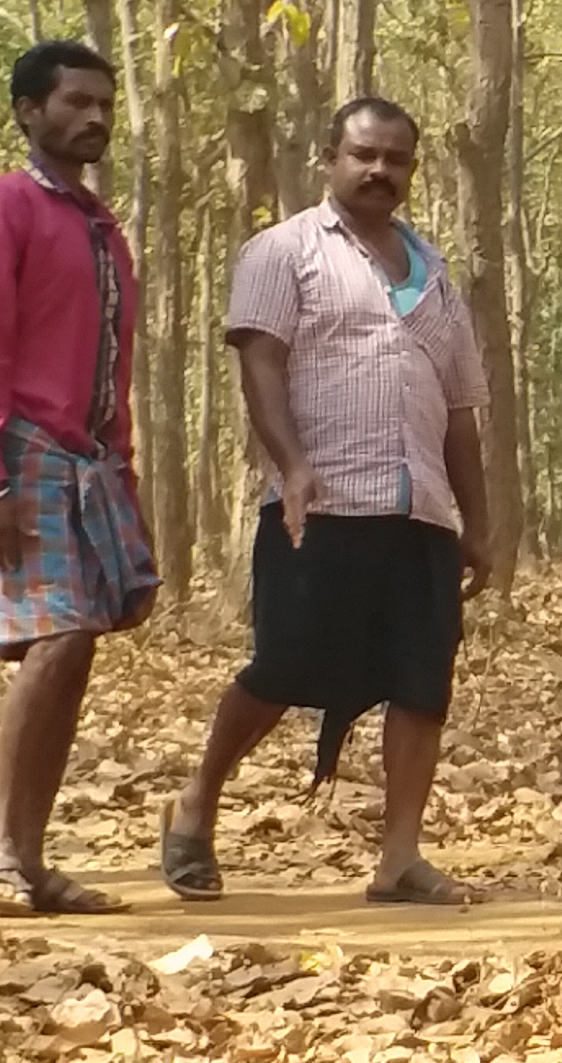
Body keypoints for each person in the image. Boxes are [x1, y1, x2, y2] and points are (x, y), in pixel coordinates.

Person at [163, 98, 497, 908]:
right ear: (330, 156)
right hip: (319, 502)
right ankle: (195, 806)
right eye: (364, 154)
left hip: (417, 512)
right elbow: (261, 362)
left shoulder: (436, 275)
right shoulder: (284, 252)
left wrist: (477, 524)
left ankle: (399, 858)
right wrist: (294, 463)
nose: (380, 171)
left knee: (423, 684)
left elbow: (458, 409)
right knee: (283, 668)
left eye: (396, 160)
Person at [0, 39, 152, 916]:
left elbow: (113, 361)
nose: (94, 117)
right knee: (55, 639)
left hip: (89, 460)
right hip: (20, 450)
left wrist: (124, 468)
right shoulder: (3, 209)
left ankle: (28, 859)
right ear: (29, 111)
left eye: (104, 103)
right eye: (73, 102)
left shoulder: (100, 226)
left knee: (78, 652)